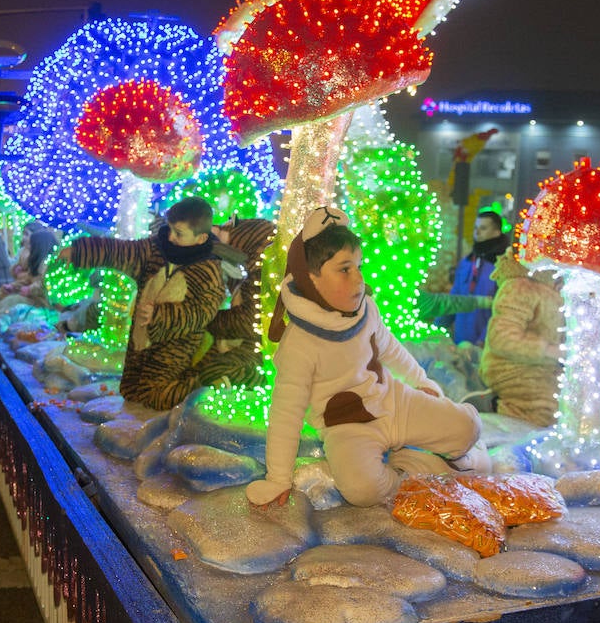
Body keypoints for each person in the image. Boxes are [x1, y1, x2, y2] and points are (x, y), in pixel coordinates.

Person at [246, 206, 488, 510]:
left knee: (468, 426)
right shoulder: (300, 342)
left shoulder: (366, 309)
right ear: (311, 278)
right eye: (345, 269)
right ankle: (408, 471)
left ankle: (431, 455)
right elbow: (286, 413)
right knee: (362, 490)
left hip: (394, 402)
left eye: (359, 266)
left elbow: (390, 348)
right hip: (348, 427)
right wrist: (278, 478)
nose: (358, 279)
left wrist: (421, 381)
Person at [58, 197, 224, 409]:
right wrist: (81, 251)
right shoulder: (157, 249)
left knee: (157, 396)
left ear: (200, 238)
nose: (171, 237)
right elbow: (122, 252)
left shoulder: (208, 271)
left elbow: (201, 312)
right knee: (131, 389)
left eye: (179, 234)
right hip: (140, 341)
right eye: (170, 229)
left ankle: (204, 388)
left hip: (173, 348)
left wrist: (160, 316)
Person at [478, 250, 564, 426]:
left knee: (568, 412)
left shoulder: (559, 286)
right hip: (515, 371)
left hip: (549, 369)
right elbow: (501, 337)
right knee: (544, 417)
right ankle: (494, 416)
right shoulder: (521, 286)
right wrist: (548, 350)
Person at [196, 215, 278, 388]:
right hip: (243, 341)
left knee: (212, 370)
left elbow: (248, 321)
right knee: (198, 367)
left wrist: (207, 320)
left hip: (260, 350)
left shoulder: (263, 278)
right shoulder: (246, 272)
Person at [444, 210, 512, 345]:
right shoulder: (467, 263)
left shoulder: (503, 267)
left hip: (488, 346)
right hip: (460, 341)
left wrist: (483, 340)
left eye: (483, 228)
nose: (477, 232)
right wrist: (437, 328)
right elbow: (454, 298)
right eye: (476, 228)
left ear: (496, 232)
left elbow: (503, 309)